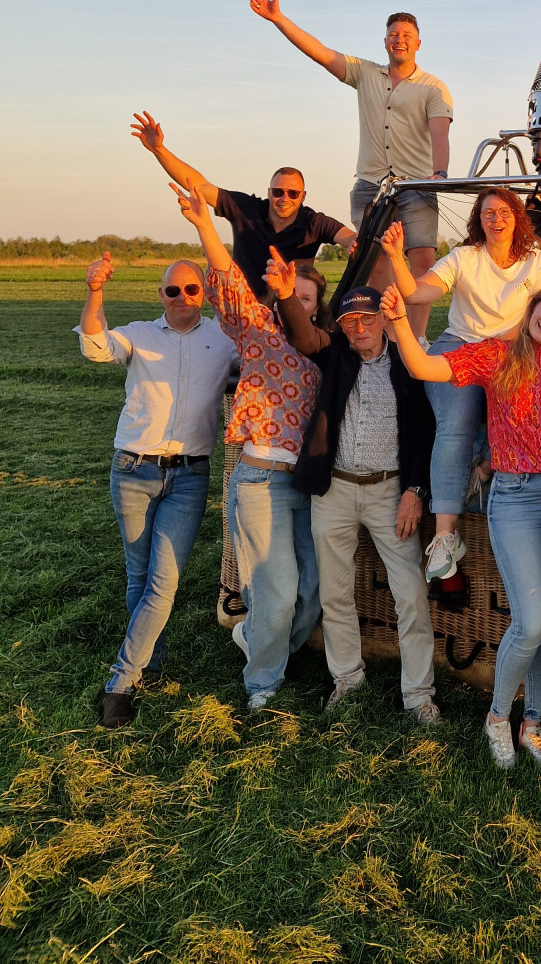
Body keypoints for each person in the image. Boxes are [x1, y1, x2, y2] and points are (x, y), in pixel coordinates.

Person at [382, 275, 541, 770]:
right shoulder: (498, 354)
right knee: (531, 620)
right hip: (516, 498)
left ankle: (532, 723)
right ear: (532, 306)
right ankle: (498, 717)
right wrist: (400, 321)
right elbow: (424, 366)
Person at [170, 182, 326, 710]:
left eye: (305, 297)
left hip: (306, 486)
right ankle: (262, 684)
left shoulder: (323, 349)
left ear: (316, 308)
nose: (295, 301)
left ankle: (253, 637)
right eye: (288, 293)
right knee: (276, 593)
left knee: (312, 592)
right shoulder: (259, 330)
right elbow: (231, 282)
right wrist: (203, 224)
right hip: (261, 480)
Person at [77, 251, 239, 728]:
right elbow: (95, 345)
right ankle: (153, 658)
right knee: (139, 575)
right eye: (173, 290)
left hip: (189, 476)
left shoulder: (224, 339)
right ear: (160, 295)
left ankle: (121, 683)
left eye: (191, 289)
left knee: (163, 582)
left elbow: (264, 360)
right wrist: (95, 291)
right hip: (132, 469)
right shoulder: (140, 334)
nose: (182, 297)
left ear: (204, 294)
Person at [378, 189, 541, 602]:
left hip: (511, 351)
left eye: (504, 212)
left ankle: (513, 501)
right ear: (479, 220)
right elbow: (417, 293)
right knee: (456, 422)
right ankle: (445, 536)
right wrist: (397, 256)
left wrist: (504, 349)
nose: (496, 219)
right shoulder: (464, 257)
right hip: (459, 345)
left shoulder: (536, 262)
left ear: (517, 218)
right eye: (488, 213)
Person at [248, 0, 452, 335]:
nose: (399, 40)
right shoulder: (365, 73)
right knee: (375, 263)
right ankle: (384, 336)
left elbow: (439, 133)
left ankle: (416, 338)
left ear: (418, 43)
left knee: (422, 260)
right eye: (393, 34)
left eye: (406, 35)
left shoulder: (434, 87)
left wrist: (440, 173)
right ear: (384, 42)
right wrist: (278, 19)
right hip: (372, 185)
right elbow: (321, 53)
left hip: (416, 184)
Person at [282, 285, 439, 721]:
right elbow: (303, 335)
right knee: (335, 592)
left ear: (384, 319)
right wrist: (286, 295)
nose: (360, 328)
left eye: (368, 318)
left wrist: (415, 490)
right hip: (334, 489)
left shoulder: (408, 362)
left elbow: (425, 430)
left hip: (390, 492)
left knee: (411, 593)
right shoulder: (335, 354)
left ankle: (418, 695)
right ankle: (347, 680)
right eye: (350, 321)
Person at [131, 110, 354, 299]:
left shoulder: (314, 222)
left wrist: (354, 243)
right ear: (269, 193)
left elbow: (348, 237)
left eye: (293, 193)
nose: (285, 198)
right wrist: (159, 150)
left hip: (291, 313)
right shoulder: (247, 209)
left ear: (303, 196)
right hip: (243, 311)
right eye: (278, 192)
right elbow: (200, 185)